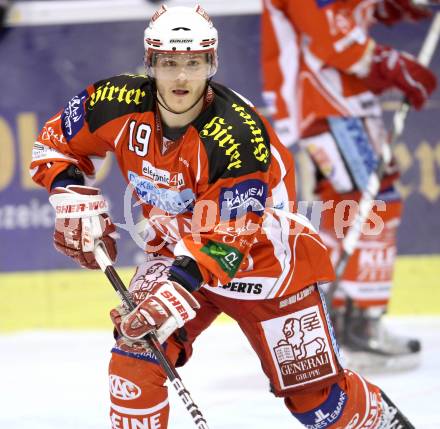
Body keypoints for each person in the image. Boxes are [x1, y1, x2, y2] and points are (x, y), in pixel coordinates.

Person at [31, 4, 416, 428]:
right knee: (136, 355)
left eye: (193, 63)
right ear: (151, 63)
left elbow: (229, 236)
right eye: (169, 63)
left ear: (211, 62)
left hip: (264, 266)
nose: (181, 77)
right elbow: (57, 141)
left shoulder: (237, 134)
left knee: (320, 405)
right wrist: (71, 198)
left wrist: (175, 292)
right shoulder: (113, 101)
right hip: (174, 255)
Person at [261, 0, 437, 372]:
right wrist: (389, 63)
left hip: (341, 98)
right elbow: (327, 34)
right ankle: (359, 326)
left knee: (350, 208)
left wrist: (388, 6)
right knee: (372, 205)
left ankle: (333, 320)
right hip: (326, 99)